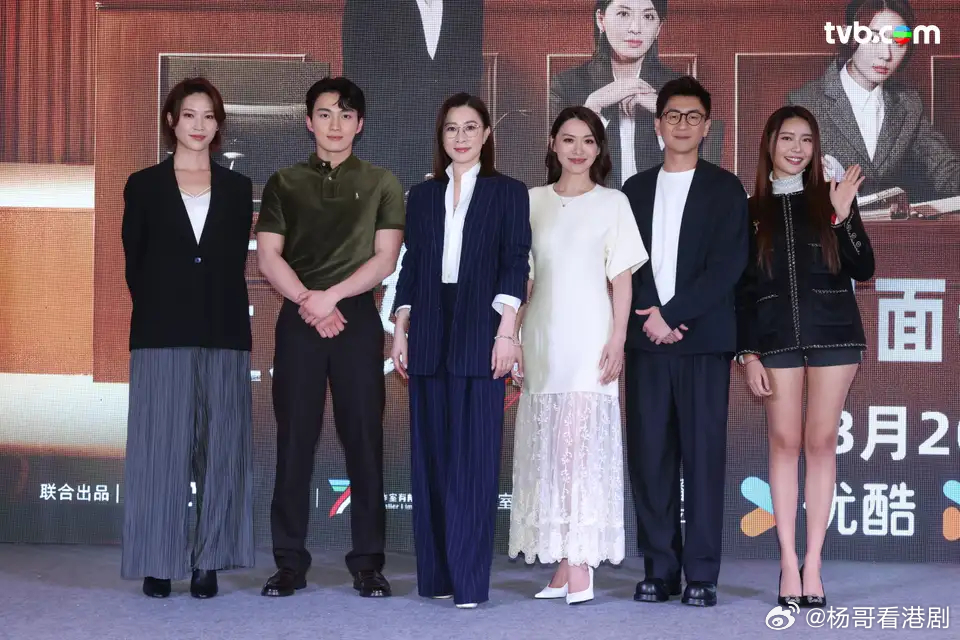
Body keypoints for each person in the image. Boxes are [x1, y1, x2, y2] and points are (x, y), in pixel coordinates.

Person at [255, 77, 404, 598]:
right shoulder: (284, 182)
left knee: (363, 439)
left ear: (360, 124)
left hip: (356, 319)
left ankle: (368, 563)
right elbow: (268, 255)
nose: (334, 125)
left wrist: (332, 297)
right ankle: (288, 563)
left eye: (345, 115)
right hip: (299, 318)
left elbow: (385, 258)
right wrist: (309, 301)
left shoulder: (382, 182)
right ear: (308, 121)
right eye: (324, 114)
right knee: (294, 439)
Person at [390, 93, 531, 609]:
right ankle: (437, 578)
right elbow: (411, 265)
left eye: (471, 127)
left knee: (473, 463)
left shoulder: (507, 192)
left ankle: (469, 583)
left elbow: (516, 261)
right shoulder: (422, 195)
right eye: (452, 128)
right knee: (430, 462)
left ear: (487, 134)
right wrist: (400, 328)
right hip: (428, 331)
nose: (461, 137)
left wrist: (507, 331)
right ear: (441, 136)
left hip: (482, 329)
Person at [120, 77, 255, 599]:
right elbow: (136, 264)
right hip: (161, 332)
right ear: (171, 121)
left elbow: (229, 260)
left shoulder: (238, 188)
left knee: (222, 448)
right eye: (190, 115)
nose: (199, 125)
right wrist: (166, 303)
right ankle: (159, 560)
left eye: (209, 115)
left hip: (224, 330)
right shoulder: (143, 185)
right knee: (161, 449)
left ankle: (209, 561)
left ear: (219, 125)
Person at [735, 106, 874, 609]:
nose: (797, 149)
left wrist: (843, 215)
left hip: (835, 334)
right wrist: (747, 353)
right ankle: (787, 558)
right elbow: (741, 289)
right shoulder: (749, 209)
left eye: (807, 140)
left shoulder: (829, 198)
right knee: (784, 441)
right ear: (769, 144)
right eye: (787, 138)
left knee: (820, 442)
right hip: (775, 340)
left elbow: (863, 267)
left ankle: (813, 562)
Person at [508, 106, 647, 605]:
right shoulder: (530, 201)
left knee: (579, 452)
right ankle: (564, 564)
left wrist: (618, 339)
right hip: (542, 337)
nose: (578, 149)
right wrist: (513, 336)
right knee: (549, 453)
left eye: (588, 140)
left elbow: (622, 280)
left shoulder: (613, 203)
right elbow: (522, 280)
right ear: (553, 144)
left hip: (591, 339)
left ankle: (582, 562)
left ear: (599, 149)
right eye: (568, 139)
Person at [620, 76, 748, 608]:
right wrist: (654, 316)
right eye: (673, 115)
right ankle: (660, 569)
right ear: (657, 124)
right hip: (646, 342)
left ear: (707, 126)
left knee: (702, 459)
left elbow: (727, 266)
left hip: (702, 342)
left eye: (693, 117)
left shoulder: (725, 188)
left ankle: (701, 573)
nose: (682, 125)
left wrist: (672, 315)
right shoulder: (634, 190)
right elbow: (626, 263)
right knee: (650, 458)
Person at [788, 0, 959, 204]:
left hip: (893, 223)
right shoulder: (803, 103)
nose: (886, 54)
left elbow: (944, 169)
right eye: (873, 37)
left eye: (898, 41)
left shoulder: (909, 104)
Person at [550, 0, 722, 188]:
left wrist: (667, 112)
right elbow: (557, 168)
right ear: (601, 19)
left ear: (659, 27)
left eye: (648, 16)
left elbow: (706, 164)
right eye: (624, 14)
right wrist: (591, 110)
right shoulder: (567, 85)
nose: (636, 28)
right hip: (593, 202)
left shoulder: (680, 89)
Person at [342, 0, 484, 190]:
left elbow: (470, 80)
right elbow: (358, 87)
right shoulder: (365, 5)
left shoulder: (469, 4)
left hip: (448, 158)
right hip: (387, 154)